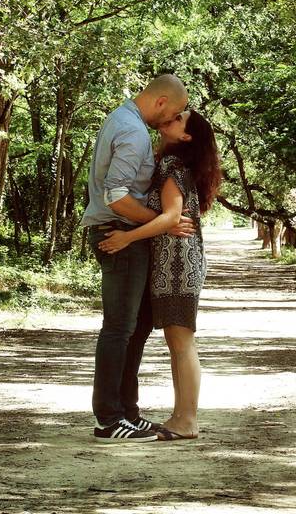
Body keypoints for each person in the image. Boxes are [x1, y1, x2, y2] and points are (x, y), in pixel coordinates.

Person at [82, 74, 194, 443]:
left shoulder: (121, 119)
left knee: (136, 329)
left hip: (125, 235)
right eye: (176, 112)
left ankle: (127, 412)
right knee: (119, 329)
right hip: (119, 235)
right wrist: (164, 223)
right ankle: (109, 420)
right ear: (161, 102)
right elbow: (117, 196)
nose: (174, 119)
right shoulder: (133, 132)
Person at [98, 109, 222, 441]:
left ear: (186, 137)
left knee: (181, 343)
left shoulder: (173, 167)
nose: (171, 117)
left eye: (180, 118)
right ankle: (181, 417)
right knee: (178, 343)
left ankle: (187, 419)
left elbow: (170, 218)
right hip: (175, 264)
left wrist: (126, 237)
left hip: (178, 266)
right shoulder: (171, 164)